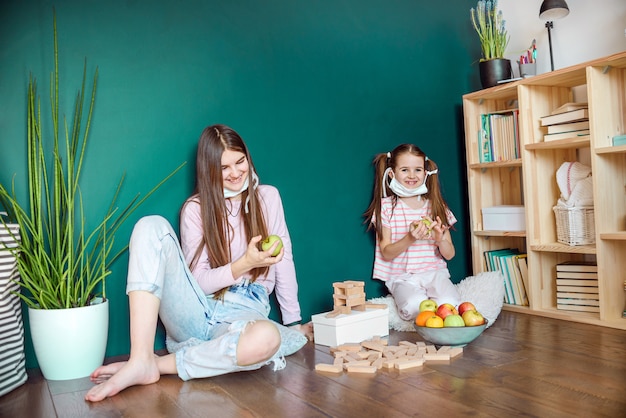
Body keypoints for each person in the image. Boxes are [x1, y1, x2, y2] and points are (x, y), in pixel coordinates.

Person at [85, 124, 312, 402]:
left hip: (244, 312)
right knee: (150, 225)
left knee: (267, 338)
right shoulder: (195, 209)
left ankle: (150, 365)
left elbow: (284, 259)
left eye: (240, 161)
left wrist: (293, 321)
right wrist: (244, 263)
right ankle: (140, 354)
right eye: (223, 167)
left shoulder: (268, 198)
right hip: (195, 308)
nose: (236, 172)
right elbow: (199, 282)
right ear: (209, 170)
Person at [363, 143, 460, 321]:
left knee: (450, 304)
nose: (412, 175)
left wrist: (440, 240)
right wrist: (409, 238)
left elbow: (450, 254)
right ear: (392, 173)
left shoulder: (437, 206)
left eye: (417, 170)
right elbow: (386, 253)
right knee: (415, 307)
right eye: (405, 170)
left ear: (425, 172)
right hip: (402, 277)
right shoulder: (386, 208)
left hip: (435, 273)